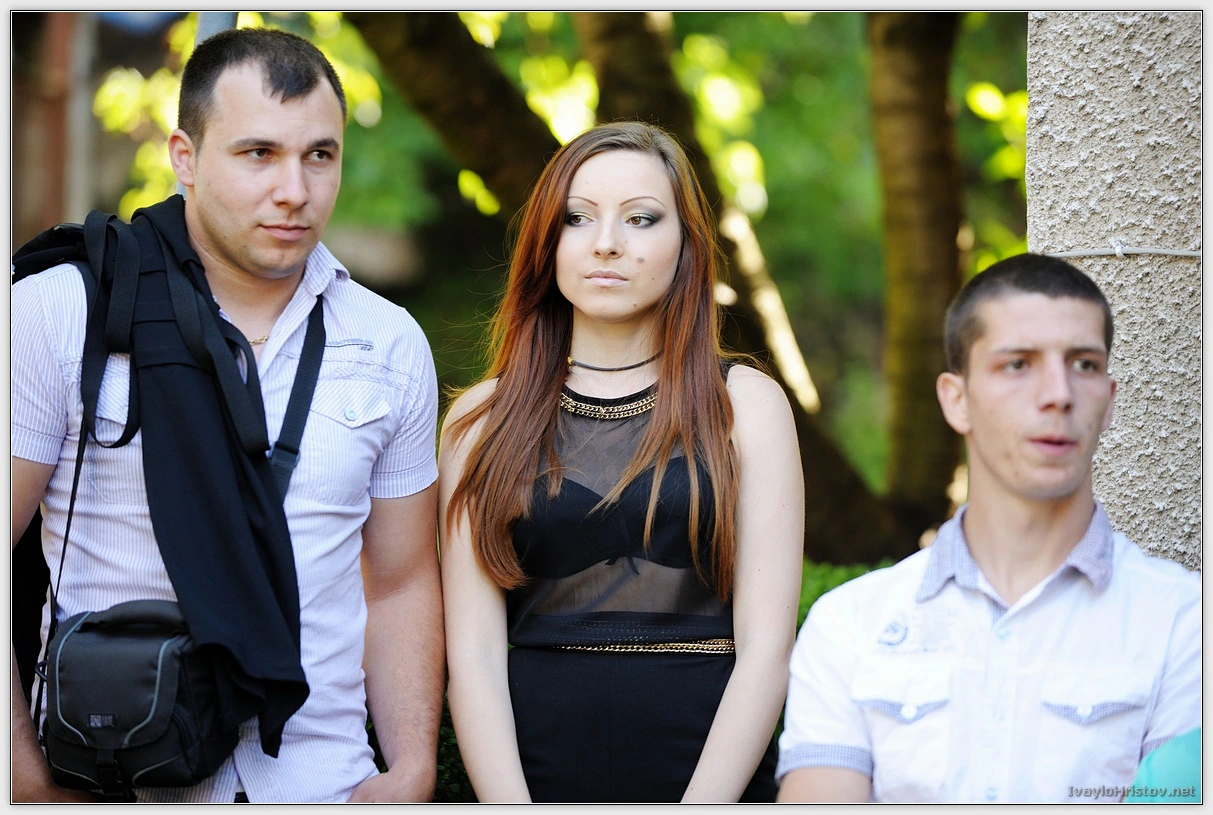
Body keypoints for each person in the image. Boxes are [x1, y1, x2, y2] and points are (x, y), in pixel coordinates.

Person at [11, 28, 443, 803]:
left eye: (319, 155)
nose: (294, 189)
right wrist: (24, 779)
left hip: (322, 783)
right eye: (258, 154)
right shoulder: (64, 311)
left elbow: (401, 580)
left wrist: (410, 767)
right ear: (184, 156)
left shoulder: (387, 341)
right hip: (116, 776)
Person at [437, 121, 804, 803]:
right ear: (546, 241)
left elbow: (766, 649)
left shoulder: (747, 405)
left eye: (640, 218)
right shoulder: (481, 419)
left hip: (710, 772)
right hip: (535, 772)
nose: (605, 242)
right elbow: (475, 656)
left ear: (686, 243)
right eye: (577, 218)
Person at [776, 253, 1201, 803]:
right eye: (1018, 364)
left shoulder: (1187, 623)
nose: (1059, 393)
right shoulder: (848, 625)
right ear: (957, 400)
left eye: (1084, 364)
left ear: (1109, 400)